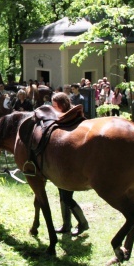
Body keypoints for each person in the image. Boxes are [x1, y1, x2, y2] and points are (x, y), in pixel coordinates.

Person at [50, 93, 89, 237]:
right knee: (62, 194)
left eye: (55, 105)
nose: (53, 108)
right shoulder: (62, 116)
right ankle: (66, 224)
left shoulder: (74, 117)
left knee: (66, 196)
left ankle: (83, 222)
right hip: (61, 162)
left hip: (72, 162)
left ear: (62, 104)